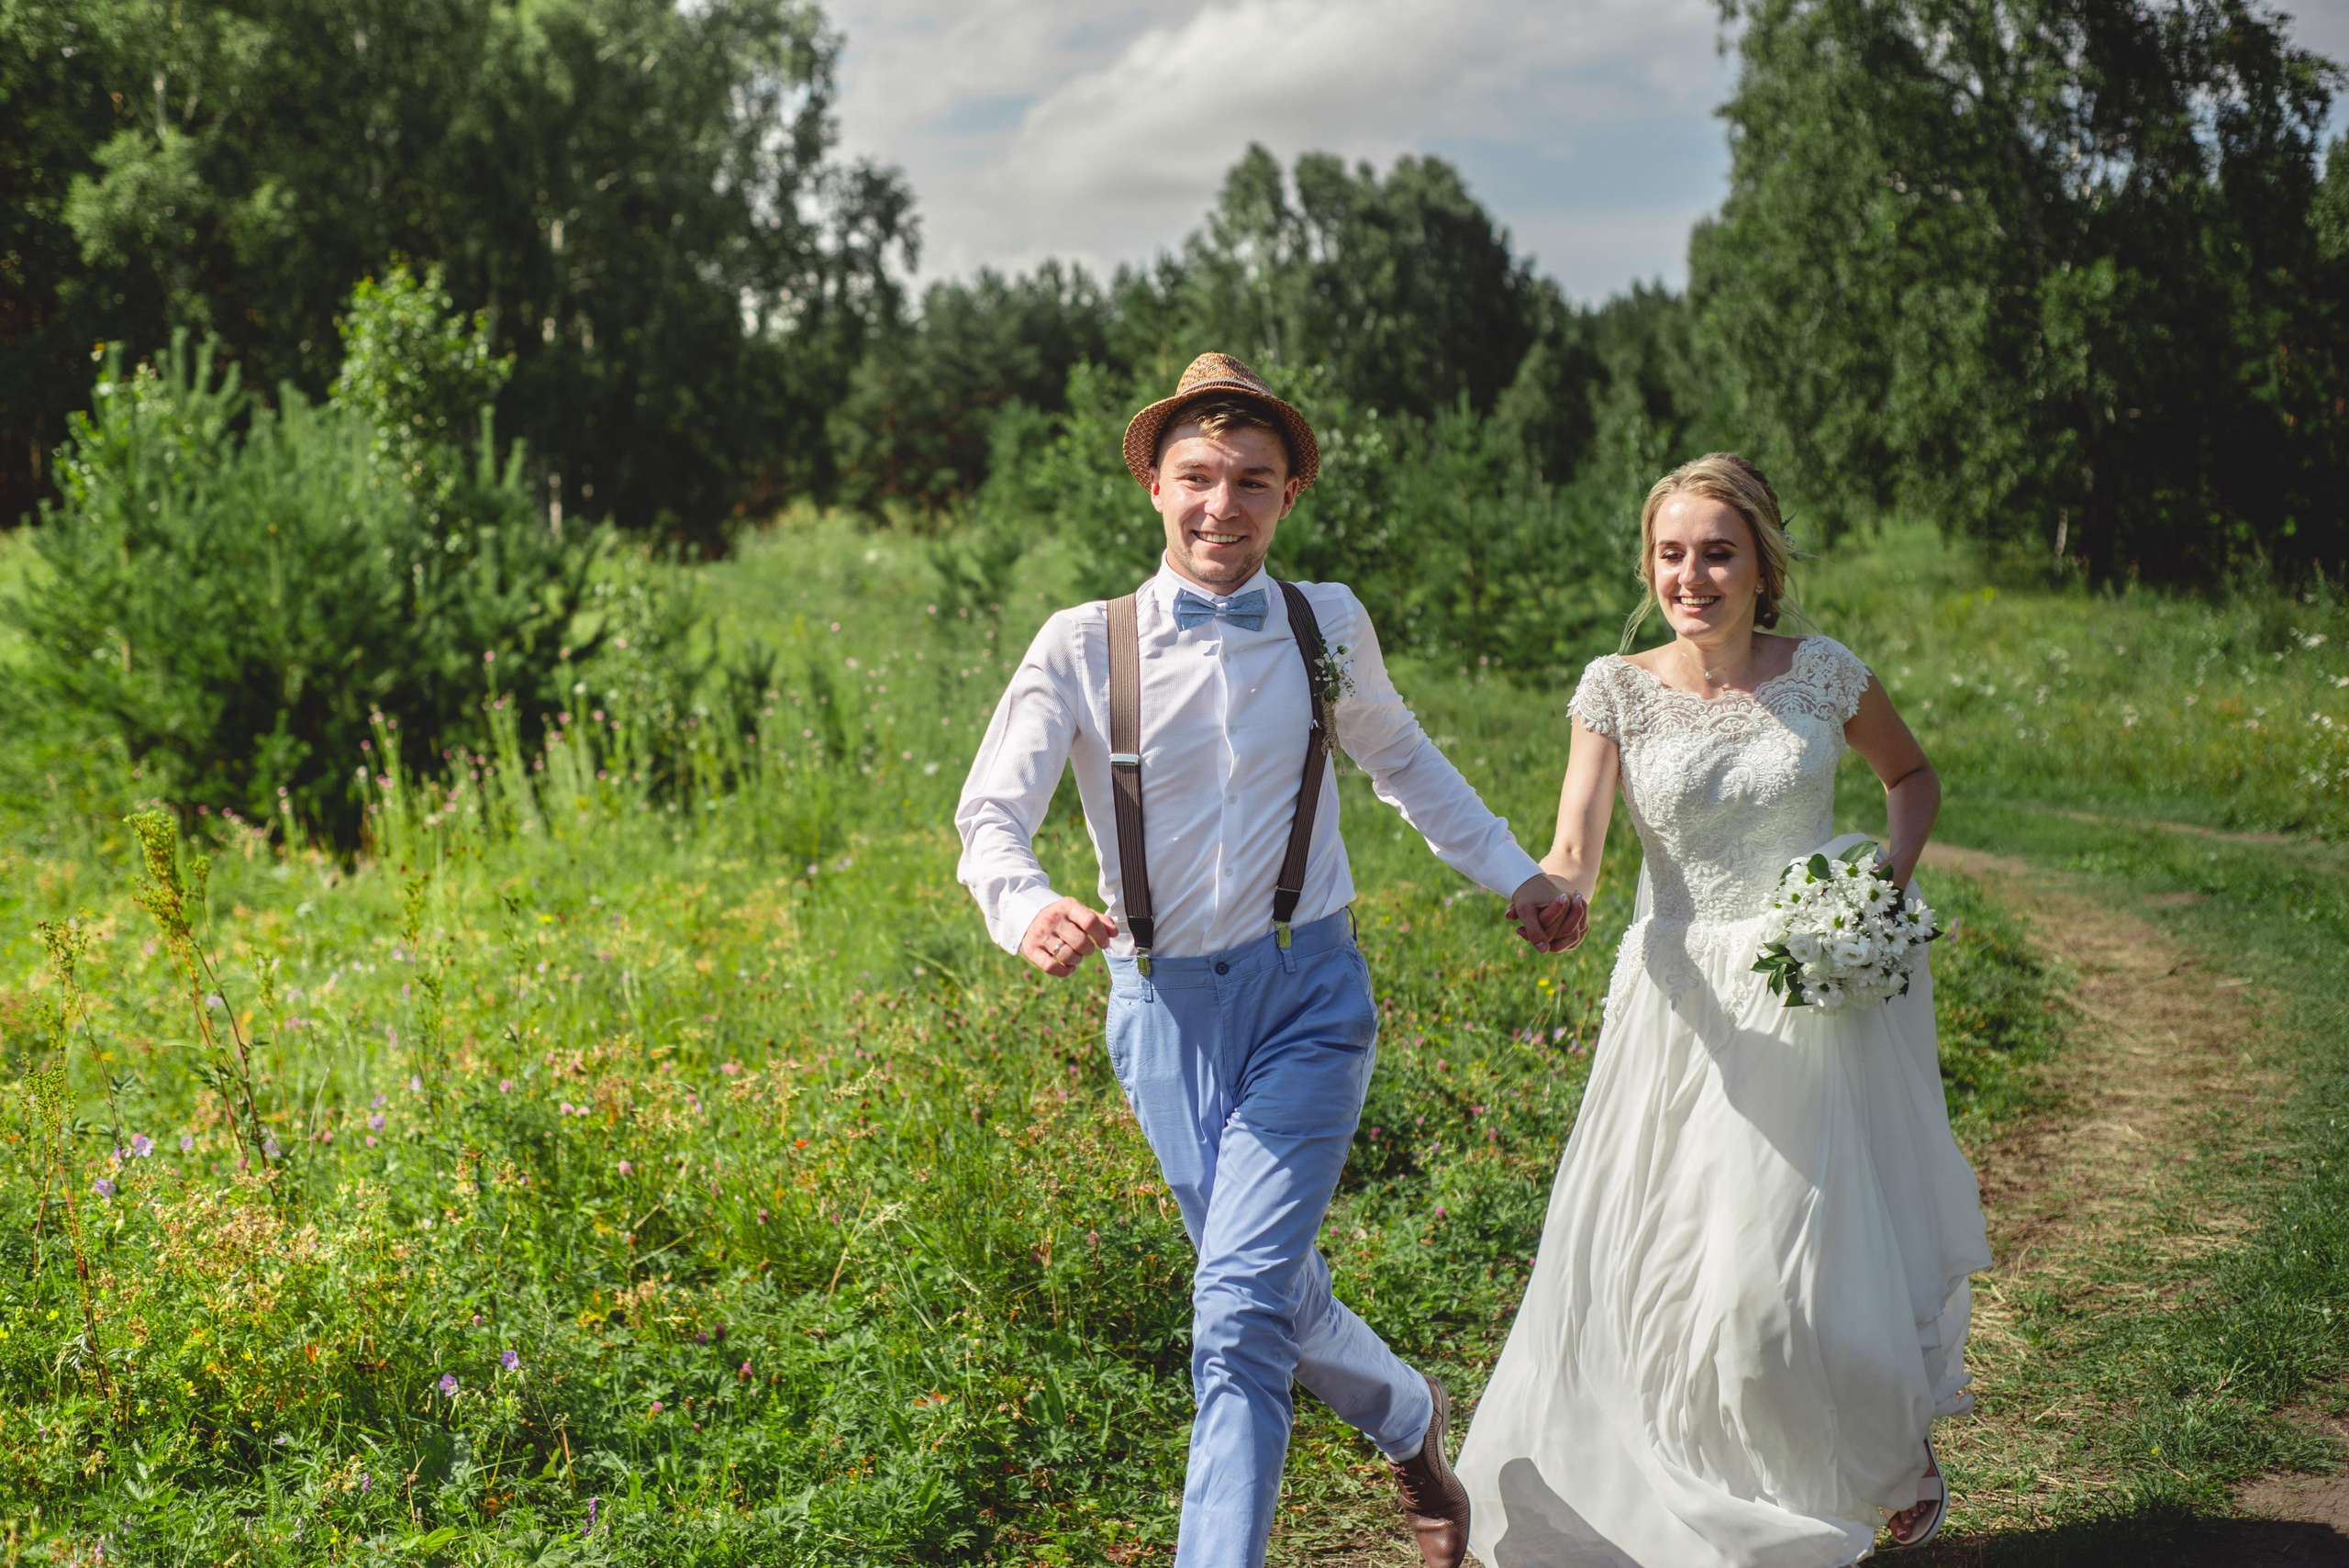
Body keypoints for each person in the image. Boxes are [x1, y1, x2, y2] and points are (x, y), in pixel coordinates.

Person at [954, 352, 1576, 1568]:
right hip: (1162, 1014)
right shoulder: (1083, 644)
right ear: (1151, 482)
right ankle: (1407, 1413)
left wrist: (1518, 872)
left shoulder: (1324, 623)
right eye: (1196, 477)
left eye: (1250, 481)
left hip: (1311, 999)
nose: (1219, 507)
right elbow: (992, 816)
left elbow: (1400, 759)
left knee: (1235, 1314)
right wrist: (1024, 905)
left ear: (1289, 494)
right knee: (1266, 1287)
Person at [1455, 453, 1992, 1567]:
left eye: (1715, 552)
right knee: (1661, 1268)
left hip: (1809, 1000)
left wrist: (1876, 888)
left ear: (1760, 565)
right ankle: (1701, 1498)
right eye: (1669, 553)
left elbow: (1913, 778)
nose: (1689, 574)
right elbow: (1576, 846)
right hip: (1681, 1006)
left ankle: (1876, 1455)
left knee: (1791, 1268)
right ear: (1648, 563)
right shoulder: (1614, 688)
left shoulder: (1825, 674)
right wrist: (1553, 891)